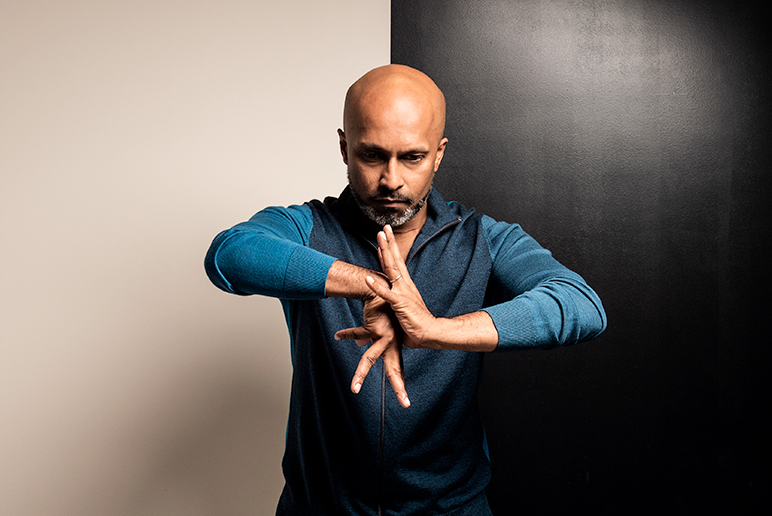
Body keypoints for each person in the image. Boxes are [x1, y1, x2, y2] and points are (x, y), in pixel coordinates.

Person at [204, 64, 606, 516]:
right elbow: (229, 256)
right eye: (372, 155)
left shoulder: (483, 239)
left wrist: (434, 330)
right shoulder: (306, 227)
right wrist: (368, 286)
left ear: (438, 153)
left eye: (412, 157)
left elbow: (581, 305)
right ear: (344, 148)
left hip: (451, 509)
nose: (391, 180)